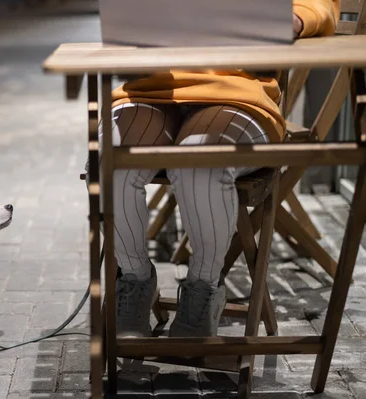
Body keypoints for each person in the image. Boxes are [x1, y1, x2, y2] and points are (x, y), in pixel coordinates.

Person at [86, 0, 340, 338]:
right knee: (108, 161)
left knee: (199, 162)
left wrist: (293, 18)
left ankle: (202, 287)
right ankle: (134, 278)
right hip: (148, 85)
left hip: (236, 92)